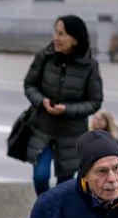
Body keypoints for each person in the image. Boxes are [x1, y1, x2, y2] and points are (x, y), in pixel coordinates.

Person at [22, 15, 104, 195]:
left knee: (64, 186)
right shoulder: (44, 57)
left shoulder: (90, 66)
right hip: (43, 130)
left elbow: (95, 101)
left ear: (75, 40)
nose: (56, 38)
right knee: (40, 177)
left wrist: (67, 110)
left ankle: (58, 217)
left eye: (62, 34)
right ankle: (46, 210)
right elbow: (29, 85)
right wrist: (42, 101)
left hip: (72, 136)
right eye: (55, 32)